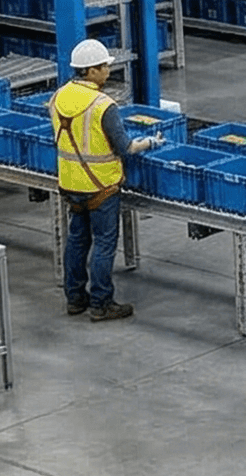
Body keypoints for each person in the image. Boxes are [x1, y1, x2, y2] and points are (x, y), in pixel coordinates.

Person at [50, 38, 162, 321]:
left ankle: (75, 299)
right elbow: (125, 147)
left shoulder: (58, 96)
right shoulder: (103, 105)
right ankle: (101, 303)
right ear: (90, 71)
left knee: (77, 240)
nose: (107, 72)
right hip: (100, 186)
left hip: (70, 183)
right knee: (103, 243)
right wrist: (150, 142)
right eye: (103, 67)